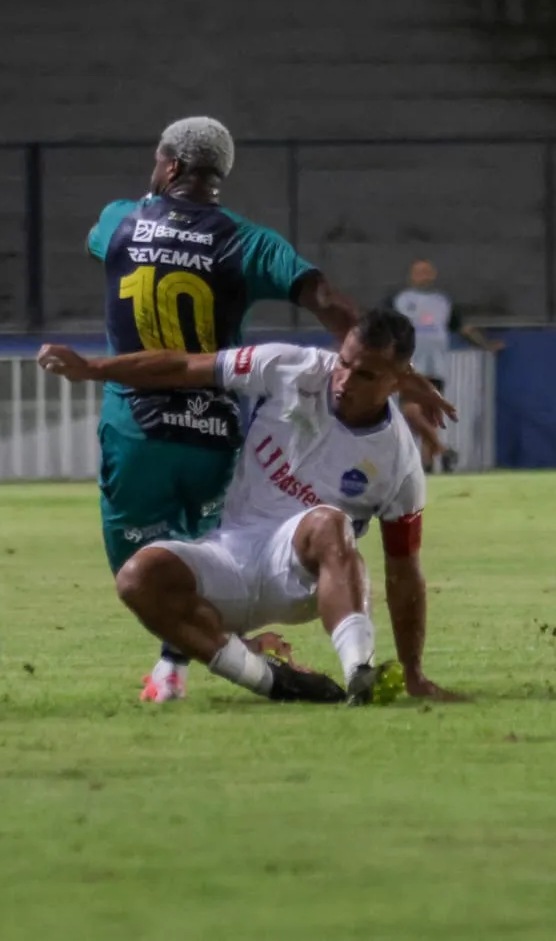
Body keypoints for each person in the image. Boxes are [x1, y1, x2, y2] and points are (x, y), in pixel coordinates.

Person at [86, 117, 453, 702]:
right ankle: (241, 667)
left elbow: (162, 343)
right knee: (198, 549)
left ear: (171, 166)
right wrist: (404, 379)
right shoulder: (248, 241)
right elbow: (330, 303)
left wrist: (91, 369)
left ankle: (175, 671)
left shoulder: (116, 221)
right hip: (213, 432)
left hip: (137, 425)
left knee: (141, 571)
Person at [39, 309, 462, 706]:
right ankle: (272, 681)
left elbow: (404, 568)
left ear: (399, 381)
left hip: (300, 579)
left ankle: (359, 673)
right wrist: (93, 368)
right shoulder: (290, 366)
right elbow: (186, 367)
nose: (345, 380)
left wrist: (413, 673)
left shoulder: (399, 462)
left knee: (328, 521)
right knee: (137, 578)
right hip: (229, 553)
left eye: (365, 374)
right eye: (344, 363)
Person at [389, 259, 504, 472]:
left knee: (430, 414)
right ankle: (442, 449)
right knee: (411, 410)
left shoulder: (443, 302)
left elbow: (463, 328)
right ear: (411, 275)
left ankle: (428, 464)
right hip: (409, 364)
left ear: (433, 275)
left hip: (437, 365)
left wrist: (487, 345)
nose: (423, 276)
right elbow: (378, 325)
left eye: (427, 272)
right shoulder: (399, 300)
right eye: (418, 272)